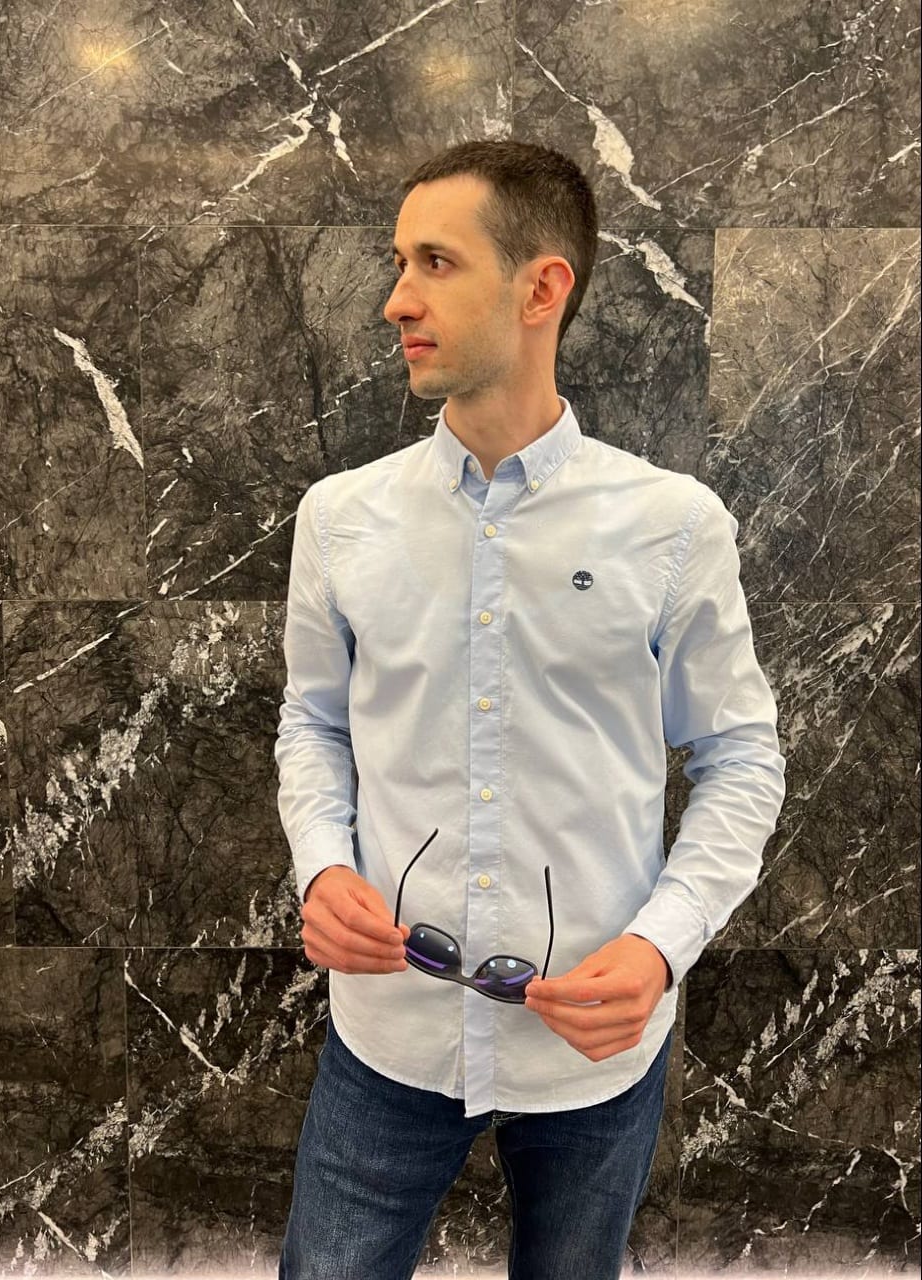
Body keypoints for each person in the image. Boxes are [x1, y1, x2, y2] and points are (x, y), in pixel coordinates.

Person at [273, 139, 786, 1280]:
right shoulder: (340, 517)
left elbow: (741, 757)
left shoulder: (673, 524)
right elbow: (313, 723)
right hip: (389, 1028)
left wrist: (658, 949)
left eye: (436, 261)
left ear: (542, 287)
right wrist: (321, 866)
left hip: (594, 1047)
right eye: (399, 262)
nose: (395, 300)